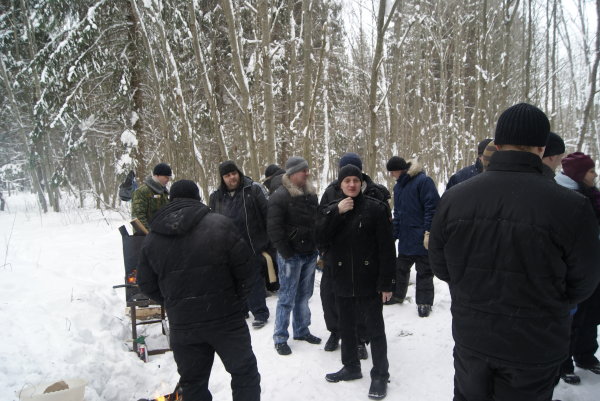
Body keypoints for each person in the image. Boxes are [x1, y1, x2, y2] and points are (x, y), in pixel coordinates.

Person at [428, 103, 600, 401]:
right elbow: (584, 281)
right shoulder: (572, 206)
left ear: (497, 145)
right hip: (534, 343)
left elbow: (441, 265)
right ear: (542, 148)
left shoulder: (456, 197)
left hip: (474, 339)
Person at [137, 179, 261, 401]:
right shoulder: (220, 225)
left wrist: (173, 301)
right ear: (197, 198)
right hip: (226, 319)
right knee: (244, 374)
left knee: (193, 383)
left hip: (184, 325)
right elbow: (248, 270)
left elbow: (145, 283)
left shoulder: (153, 237)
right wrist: (235, 299)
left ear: (171, 200)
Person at [316, 164, 395, 400]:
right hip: (341, 279)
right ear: (340, 184)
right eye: (347, 181)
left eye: (355, 180)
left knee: (375, 330)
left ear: (361, 183)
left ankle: (380, 374)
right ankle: (351, 366)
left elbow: (387, 249)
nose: (351, 184)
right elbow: (319, 239)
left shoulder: (375, 208)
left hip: (368, 280)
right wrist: (336, 213)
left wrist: (387, 283)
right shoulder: (332, 208)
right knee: (347, 327)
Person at [268, 156, 321, 355]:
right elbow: (274, 229)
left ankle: (301, 330)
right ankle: (280, 337)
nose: (307, 173)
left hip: (310, 254)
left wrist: (317, 247)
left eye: (307, 169)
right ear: (291, 174)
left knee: (304, 295)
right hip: (291, 256)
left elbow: (316, 222)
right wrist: (287, 253)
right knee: (287, 297)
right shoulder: (279, 196)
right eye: (303, 170)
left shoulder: (311, 194)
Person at [555, 152, 600, 385]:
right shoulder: (564, 197)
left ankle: (585, 354)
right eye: (591, 171)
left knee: (591, 315)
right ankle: (563, 364)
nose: (595, 175)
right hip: (571, 269)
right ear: (579, 174)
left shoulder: (594, 196)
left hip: (594, 266)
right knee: (570, 319)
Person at [209, 160, 270, 329]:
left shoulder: (252, 190)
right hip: (228, 247)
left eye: (234, 173)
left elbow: (268, 215)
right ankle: (241, 310)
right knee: (233, 280)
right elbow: (211, 222)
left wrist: (268, 242)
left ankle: (260, 313)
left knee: (254, 279)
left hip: (252, 244)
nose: (232, 178)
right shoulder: (216, 197)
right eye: (227, 175)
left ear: (239, 173)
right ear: (222, 178)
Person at [385, 156, 440, 317]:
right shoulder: (398, 187)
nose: (391, 175)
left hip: (422, 238)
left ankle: (424, 303)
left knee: (424, 271)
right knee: (400, 269)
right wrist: (393, 235)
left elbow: (432, 208)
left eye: (392, 171)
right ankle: (397, 295)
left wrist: (429, 232)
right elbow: (398, 213)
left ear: (400, 170)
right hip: (406, 238)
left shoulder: (424, 182)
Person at [131, 163, 171, 232]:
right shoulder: (142, 191)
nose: (168, 179)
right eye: (166, 177)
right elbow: (138, 217)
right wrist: (149, 234)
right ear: (157, 175)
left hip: (160, 234)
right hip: (145, 235)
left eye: (169, 177)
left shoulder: (164, 193)